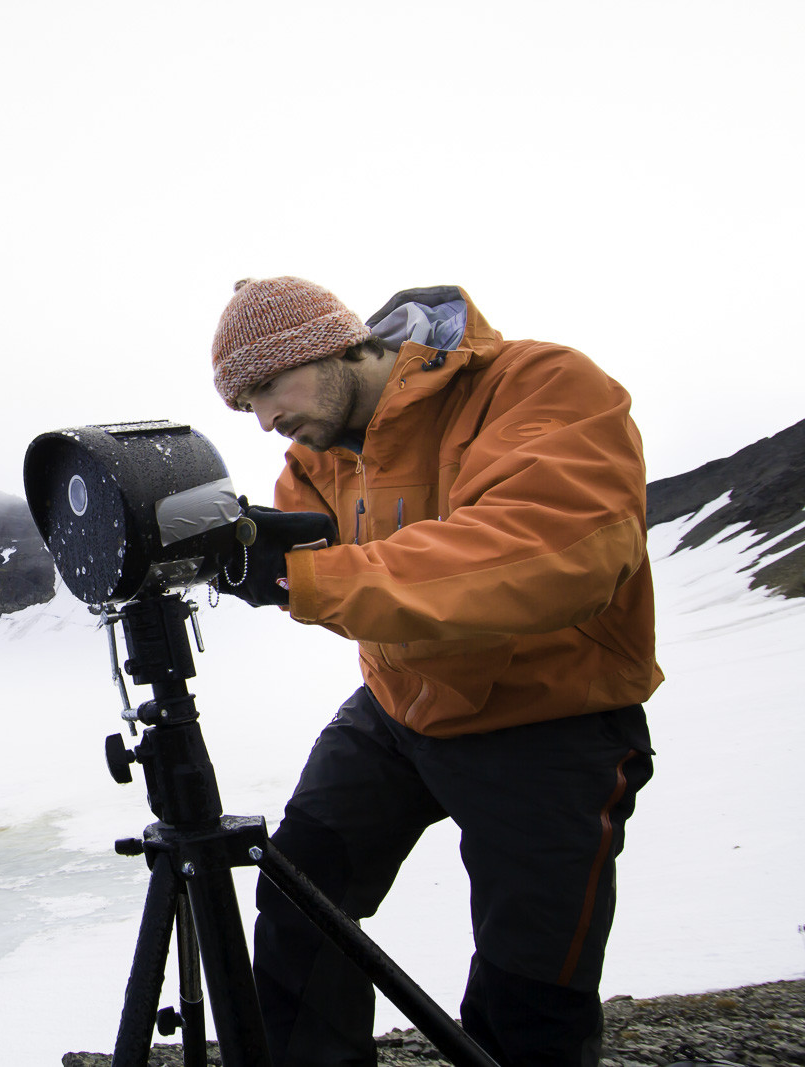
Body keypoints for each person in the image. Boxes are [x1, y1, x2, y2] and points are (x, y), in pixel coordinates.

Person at [207, 277, 661, 1067]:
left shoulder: (539, 384)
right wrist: (247, 551)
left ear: (332, 345)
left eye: (268, 387)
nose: (267, 420)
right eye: (247, 405)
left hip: (548, 719)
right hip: (398, 708)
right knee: (299, 896)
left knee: (530, 991)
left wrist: (301, 579)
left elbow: (552, 553)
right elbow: (318, 557)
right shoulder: (317, 456)